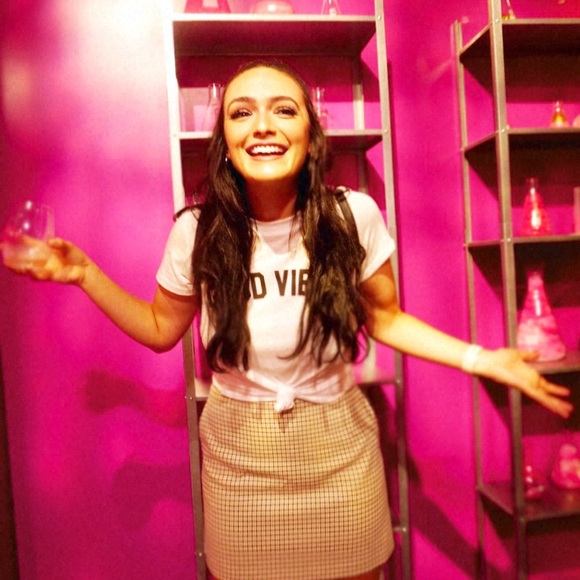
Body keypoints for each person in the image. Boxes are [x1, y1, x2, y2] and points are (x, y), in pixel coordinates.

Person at [3, 60, 573, 580]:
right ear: (225, 142)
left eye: (283, 110)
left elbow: (386, 319)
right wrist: (84, 274)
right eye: (241, 113)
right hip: (238, 459)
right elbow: (160, 329)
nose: (263, 126)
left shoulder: (354, 216)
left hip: (341, 450)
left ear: (310, 131)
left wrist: (481, 358)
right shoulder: (196, 231)